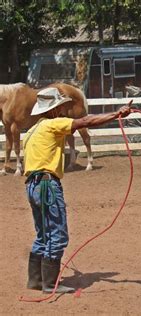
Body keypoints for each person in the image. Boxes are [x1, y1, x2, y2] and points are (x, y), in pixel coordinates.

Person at [24, 87, 131, 293]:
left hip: (32, 185)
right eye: (62, 106)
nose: (65, 110)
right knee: (58, 234)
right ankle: (49, 283)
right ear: (54, 109)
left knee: (43, 234)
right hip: (47, 184)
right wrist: (117, 114)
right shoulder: (54, 124)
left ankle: (36, 280)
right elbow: (86, 122)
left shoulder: (31, 131)